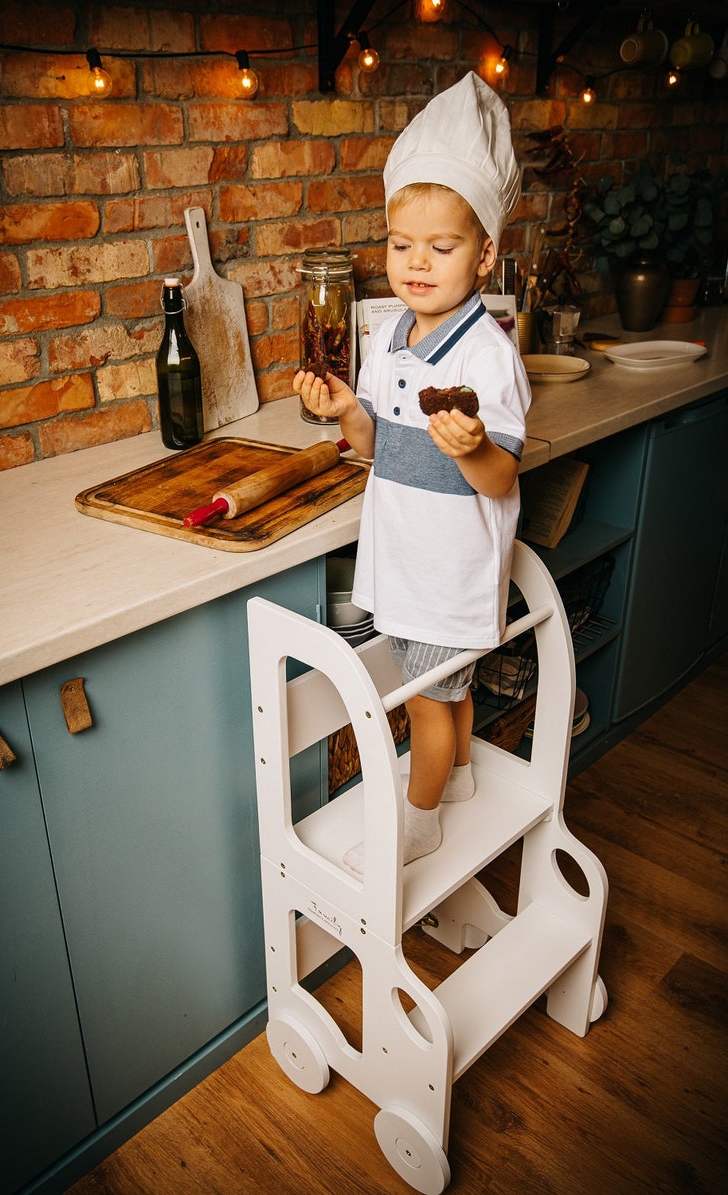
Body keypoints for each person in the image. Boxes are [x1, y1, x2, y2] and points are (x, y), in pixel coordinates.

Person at [293, 73, 531, 875]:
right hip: (404, 556)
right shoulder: (392, 334)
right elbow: (374, 442)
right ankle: (458, 778)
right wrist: (342, 412)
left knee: (426, 702)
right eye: (401, 246)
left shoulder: (486, 355)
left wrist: (471, 449)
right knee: (450, 689)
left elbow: (500, 479)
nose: (416, 264)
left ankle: (417, 822)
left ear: (486, 253)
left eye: (442, 247)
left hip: (447, 571)